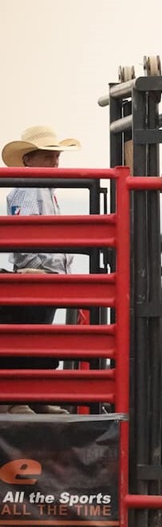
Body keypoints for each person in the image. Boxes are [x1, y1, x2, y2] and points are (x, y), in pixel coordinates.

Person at [0, 125, 79, 415]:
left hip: (45, 276)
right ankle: (19, 398)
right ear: (28, 160)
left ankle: (31, 397)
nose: (55, 163)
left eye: (56, 157)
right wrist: (36, 270)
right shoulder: (30, 188)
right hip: (37, 276)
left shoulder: (42, 189)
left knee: (36, 339)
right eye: (48, 157)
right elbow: (26, 236)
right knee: (30, 338)